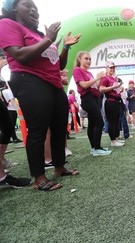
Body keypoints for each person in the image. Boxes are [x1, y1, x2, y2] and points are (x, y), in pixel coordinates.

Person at [0, 0, 81, 191]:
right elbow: (20, 55)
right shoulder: (7, 24)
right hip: (29, 80)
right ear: (13, 7)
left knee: (60, 127)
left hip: (52, 83)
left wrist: (65, 48)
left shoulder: (40, 35)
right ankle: (39, 178)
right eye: (27, 4)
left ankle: (59, 167)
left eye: (35, 6)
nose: (34, 8)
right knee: (38, 131)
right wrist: (49, 39)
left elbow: (58, 65)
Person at [72, 51, 112, 156]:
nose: (89, 61)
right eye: (86, 58)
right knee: (100, 122)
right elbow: (84, 85)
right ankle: (97, 148)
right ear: (79, 59)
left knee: (92, 124)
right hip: (87, 98)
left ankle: (94, 148)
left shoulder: (89, 73)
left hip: (94, 98)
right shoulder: (77, 70)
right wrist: (97, 78)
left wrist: (100, 79)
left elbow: (96, 87)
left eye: (90, 59)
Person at [99, 61, 124, 147]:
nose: (112, 69)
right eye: (111, 67)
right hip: (110, 101)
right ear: (106, 68)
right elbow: (101, 89)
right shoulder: (105, 77)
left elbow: (115, 90)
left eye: (113, 67)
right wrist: (114, 87)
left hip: (116, 101)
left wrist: (119, 89)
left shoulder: (113, 78)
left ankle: (115, 138)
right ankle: (113, 141)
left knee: (117, 121)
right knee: (112, 122)